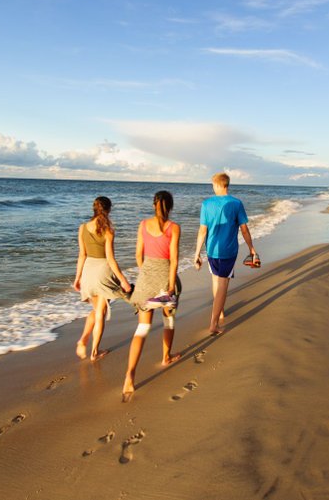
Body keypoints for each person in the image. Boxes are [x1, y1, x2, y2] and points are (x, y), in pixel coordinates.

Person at [122, 190, 182, 402]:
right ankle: (166, 357)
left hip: (146, 280)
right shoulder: (174, 228)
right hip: (166, 278)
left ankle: (130, 373)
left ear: (154, 204)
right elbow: (174, 260)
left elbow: (138, 255)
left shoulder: (142, 224)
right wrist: (170, 285)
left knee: (143, 328)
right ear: (170, 206)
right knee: (169, 321)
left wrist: (146, 273)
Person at [193, 172, 258, 336]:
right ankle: (214, 323)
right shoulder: (236, 203)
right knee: (223, 283)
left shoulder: (206, 204)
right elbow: (244, 229)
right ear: (227, 184)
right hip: (228, 251)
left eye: (213, 185)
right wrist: (251, 249)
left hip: (212, 250)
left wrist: (197, 253)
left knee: (216, 279)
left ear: (217, 185)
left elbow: (202, 231)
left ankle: (219, 312)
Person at [72, 196, 132, 361]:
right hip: (102, 272)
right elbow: (111, 259)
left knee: (97, 309)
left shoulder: (82, 228)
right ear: (108, 209)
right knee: (100, 313)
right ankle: (94, 352)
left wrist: (77, 278)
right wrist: (123, 280)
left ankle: (84, 339)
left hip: (88, 272)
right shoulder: (108, 231)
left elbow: (82, 255)